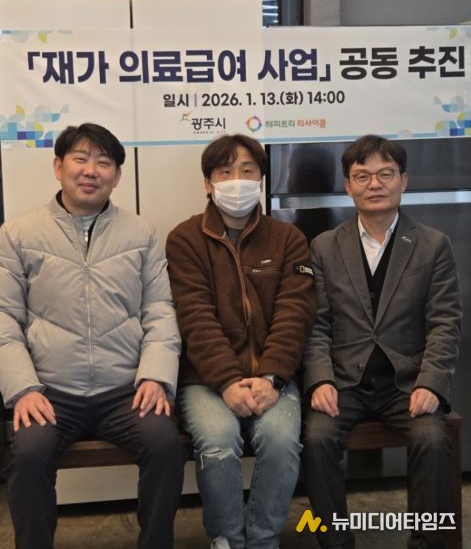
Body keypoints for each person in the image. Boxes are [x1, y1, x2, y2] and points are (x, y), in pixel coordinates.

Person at [0, 123, 184, 549]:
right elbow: (5, 319)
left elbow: (160, 311)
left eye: (103, 162)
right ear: (58, 167)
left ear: (116, 175)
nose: (90, 170)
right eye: (80, 159)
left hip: (124, 391)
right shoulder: (18, 234)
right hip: (51, 391)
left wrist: (155, 377)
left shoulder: (141, 234)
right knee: (27, 455)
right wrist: (23, 389)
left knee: (165, 445)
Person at [302, 134, 462, 549]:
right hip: (345, 382)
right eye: (362, 176)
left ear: (403, 181)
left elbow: (445, 323)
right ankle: (335, 543)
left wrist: (430, 383)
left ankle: (426, 544)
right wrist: (320, 380)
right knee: (316, 440)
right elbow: (317, 324)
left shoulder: (432, 244)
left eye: (385, 174)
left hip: (407, 384)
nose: (374, 184)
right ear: (348, 185)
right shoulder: (325, 246)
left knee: (433, 440)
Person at [166, 134, 316, 549]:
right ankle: (227, 539)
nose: (237, 181)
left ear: (261, 180)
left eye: (247, 171)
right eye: (225, 172)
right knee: (217, 440)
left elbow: (295, 314)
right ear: (208, 183)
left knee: (281, 441)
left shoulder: (288, 239)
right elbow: (194, 317)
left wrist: (272, 376)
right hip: (206, 379)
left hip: (274, 376)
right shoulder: (185, 239)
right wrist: (228, 381)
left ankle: (264, 540)